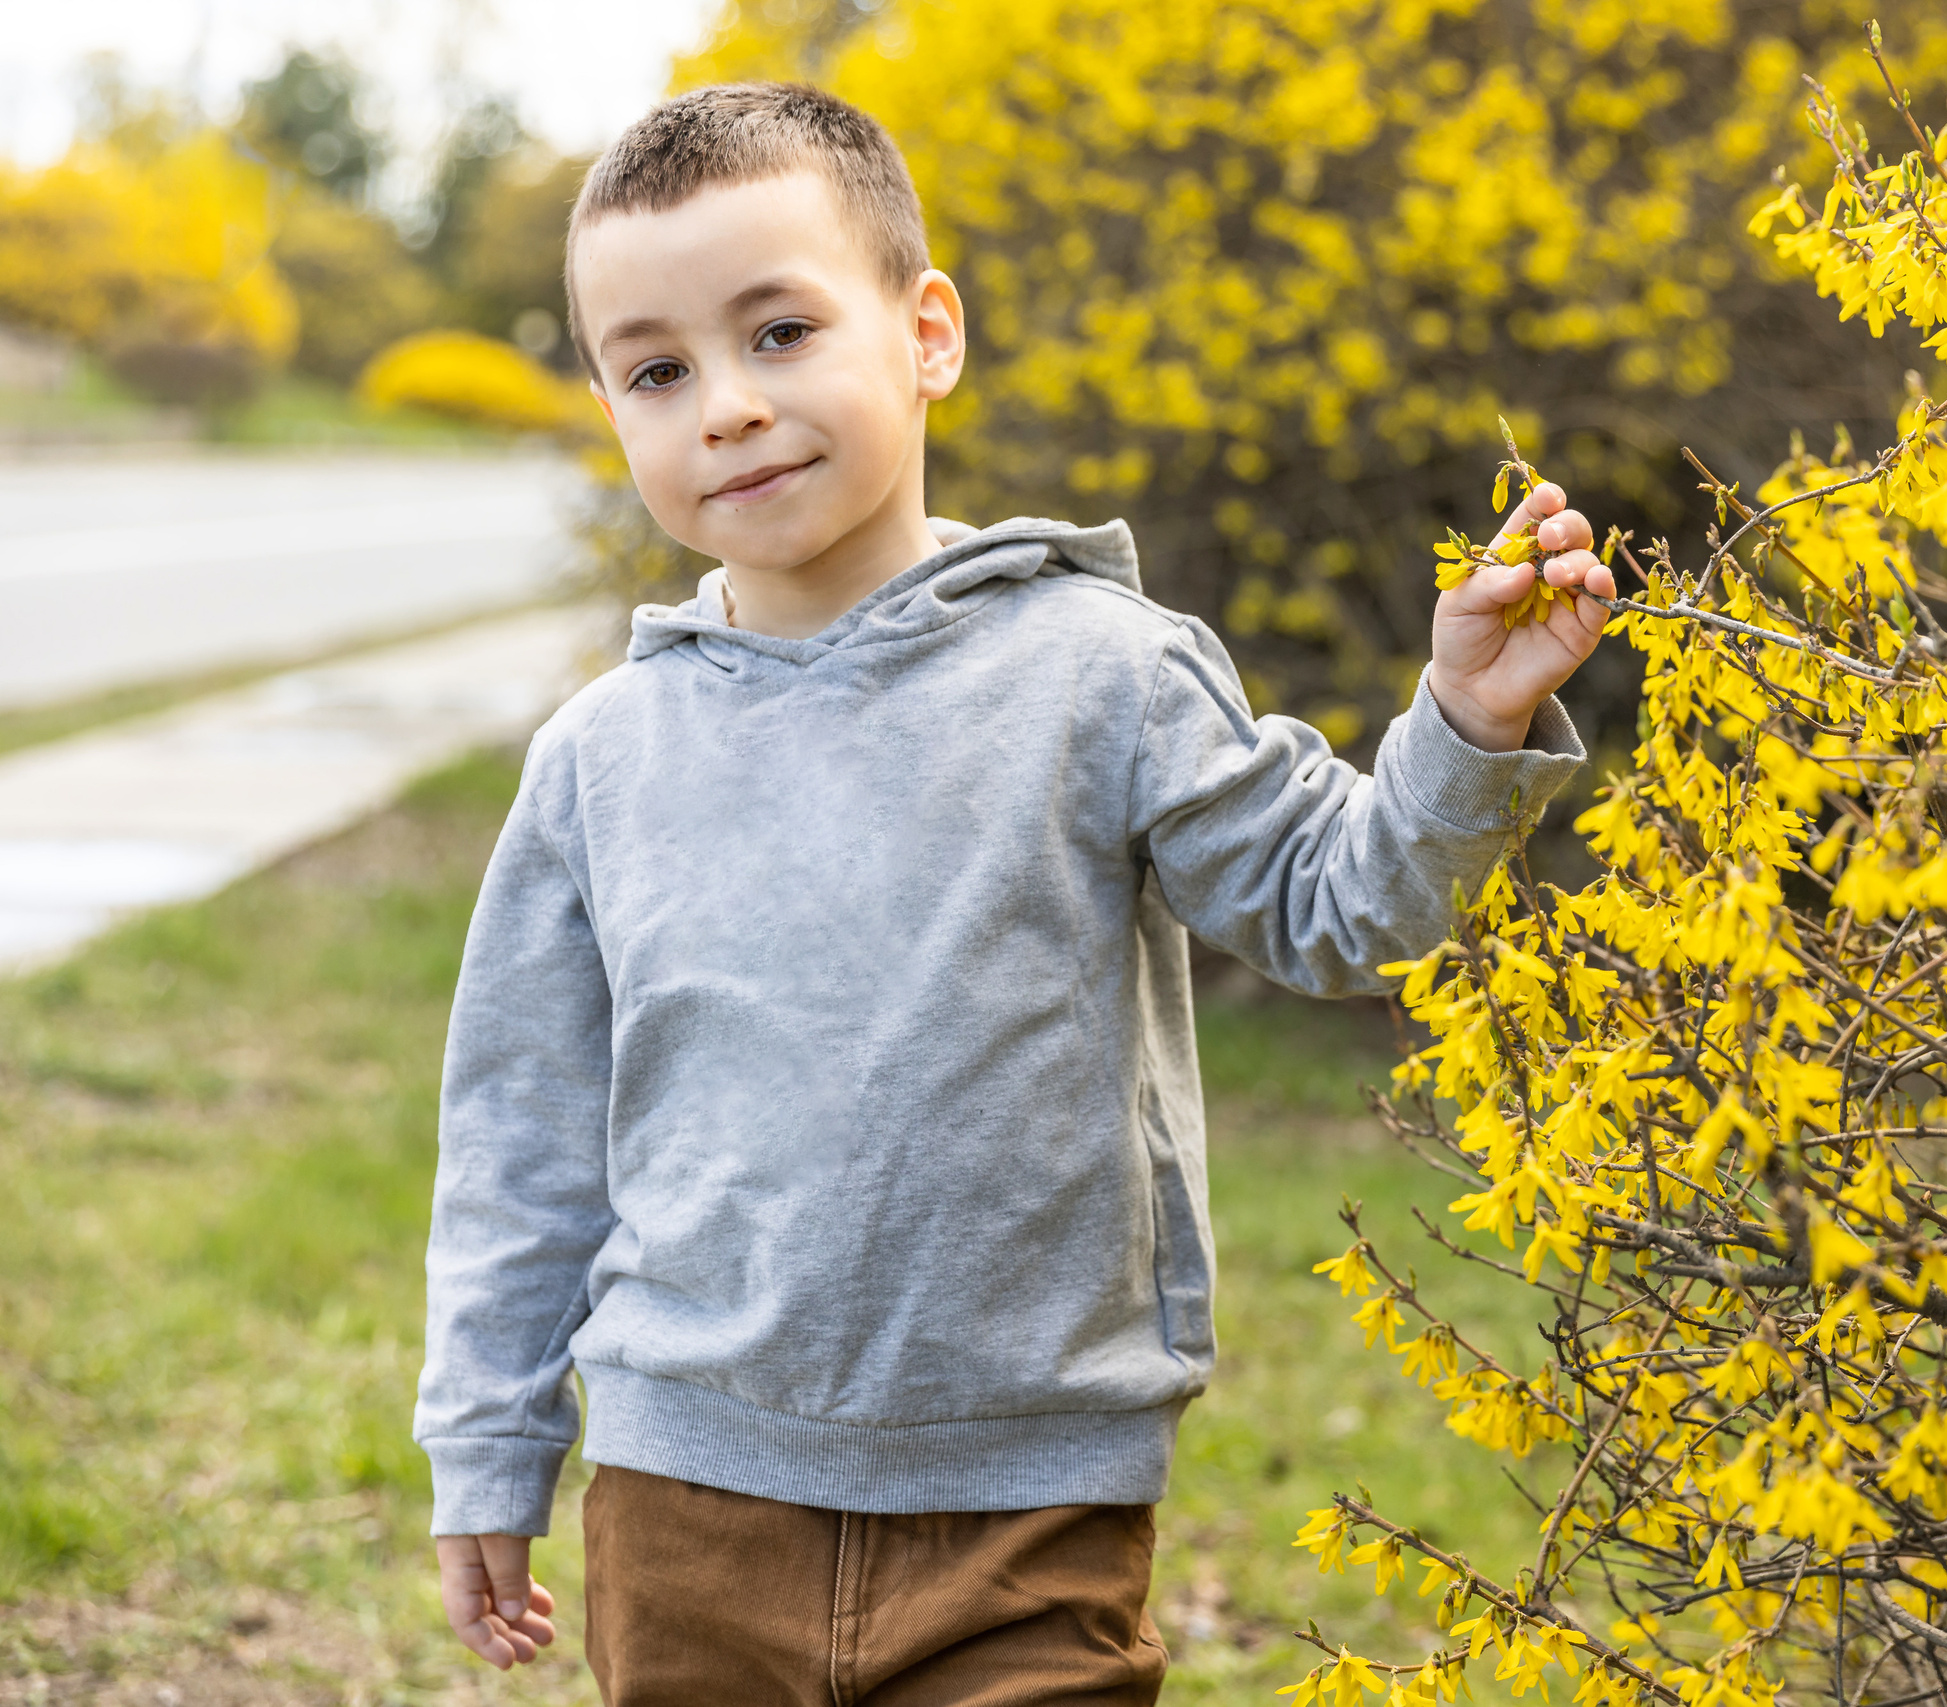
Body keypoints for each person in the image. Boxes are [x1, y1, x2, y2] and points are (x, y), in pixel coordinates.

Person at [415, 80, 1617, 1706]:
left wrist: (1465, 726)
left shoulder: (1100, 675)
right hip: (685, 1500)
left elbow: (1342, 906)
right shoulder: (599, 758)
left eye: (779, 333)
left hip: (1029, 1505)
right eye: (657, 369)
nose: (725, 408)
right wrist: (489, 1445)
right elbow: (521, 1139)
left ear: (927, 334)